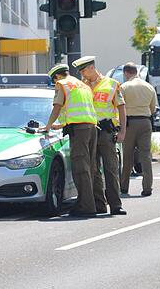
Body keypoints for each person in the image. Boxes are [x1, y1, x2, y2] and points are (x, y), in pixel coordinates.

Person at [40, 62, 98, 217]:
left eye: (53, 81)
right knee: (90, 167)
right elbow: (79, 109)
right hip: (91, 127)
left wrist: (48, 125)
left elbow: (57, 106)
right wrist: (62, 125)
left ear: (57, 76)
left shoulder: (63, 84)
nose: (54, 85)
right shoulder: (82, 85)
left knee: (80, 168)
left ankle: (86, 206)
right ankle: (92, 203)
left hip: (79, 130)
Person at [75, 55, 127, 216]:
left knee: (110, 168)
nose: (82, 74)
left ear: (92, 67)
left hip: (106, 131)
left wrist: (123, 130)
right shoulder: (81, 86)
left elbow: (121, 108)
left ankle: (115, 205)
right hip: (89, 131)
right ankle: (99, 204)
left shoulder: (111, 84)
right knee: (93, 169)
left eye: (84, 70)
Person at [119, 62, 157, 197]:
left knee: (127, 156)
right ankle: (147, 187)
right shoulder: (149, 87)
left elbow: (120, 107)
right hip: (145, 122)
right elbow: (153, 109)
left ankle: (124, 187)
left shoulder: (123, 87)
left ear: (126, 73)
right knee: (145, 155)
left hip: (129, 123)